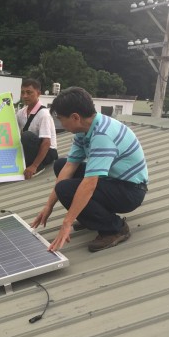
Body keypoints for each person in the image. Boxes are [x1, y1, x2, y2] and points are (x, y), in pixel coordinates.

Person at [31, 87, 148, 253]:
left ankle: (114, 229)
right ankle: (92, 216)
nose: (61, 124)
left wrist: (67, 223)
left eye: (61, 119)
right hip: (112, 180)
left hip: (129, 191)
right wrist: (48, 206)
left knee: (65, 189)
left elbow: (90, 184)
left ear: (75, 117)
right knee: (60, 165)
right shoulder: (85, 129)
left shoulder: (102, 135)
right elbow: (70, 166)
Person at [16, 78, 58, 179]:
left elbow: (46, 142)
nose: (25, 96)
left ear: (38, 93)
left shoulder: (44, 114)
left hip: (48, 152)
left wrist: (34, 166)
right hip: (34, 149)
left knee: (27, 136)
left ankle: (38, 166)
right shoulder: (21, 113)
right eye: (23, 93)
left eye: (29, 92)